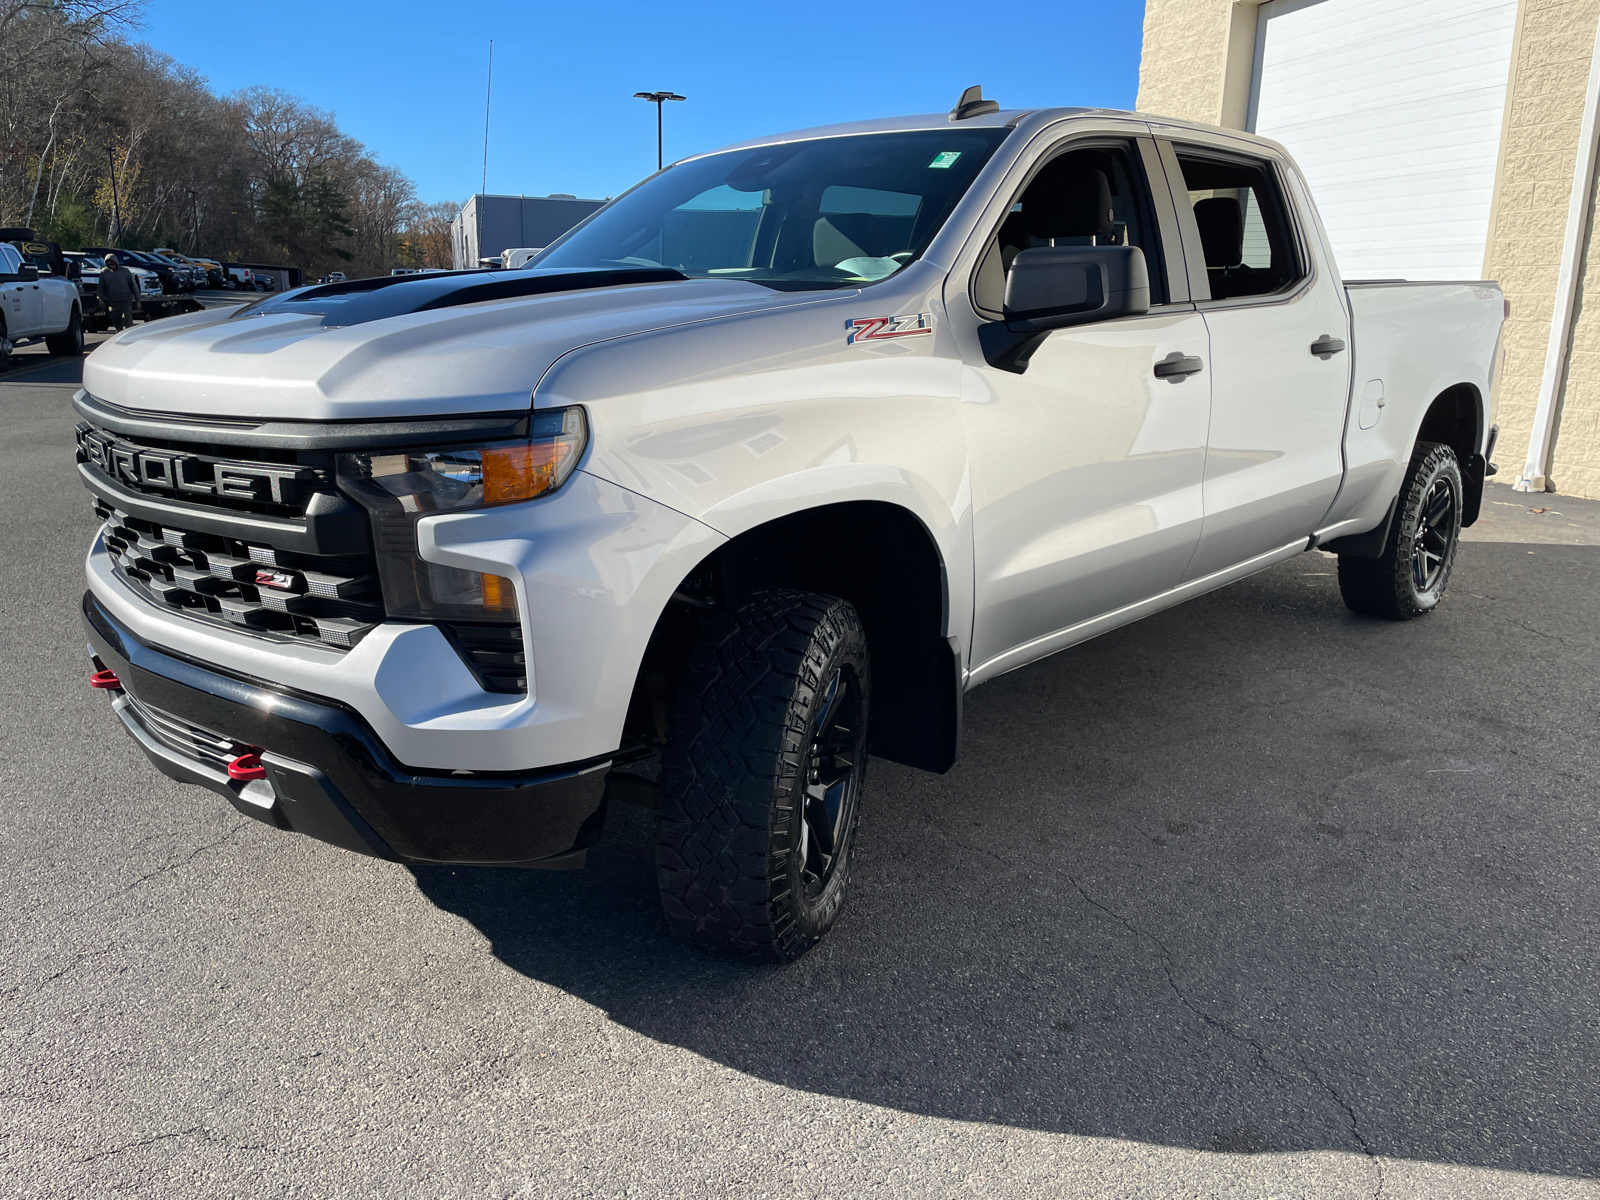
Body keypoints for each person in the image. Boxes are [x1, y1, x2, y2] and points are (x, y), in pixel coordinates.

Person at [100, 254, 138, 330]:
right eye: (108, 263)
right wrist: (100, 299)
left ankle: (130, 339)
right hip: (113, 303)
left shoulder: (125, 271)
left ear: (116, 262)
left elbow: (134, 286)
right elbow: (100, 287)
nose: (111, 265)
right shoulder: (104, 273)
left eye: (112, 263)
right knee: (117, 323)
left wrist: (138, 300)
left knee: (128, 323)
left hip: (126, 301)